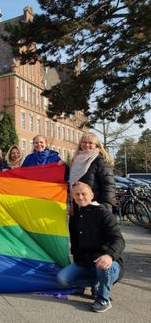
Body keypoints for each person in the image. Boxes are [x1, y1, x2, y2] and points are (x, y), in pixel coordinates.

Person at [56, 182, 125, 313]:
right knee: (62, 279)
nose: (80, 197)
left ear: (92, 195)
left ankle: (103, 298)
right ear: (72, 196)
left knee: (103, 265)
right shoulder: (74, 216)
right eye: (77, 194)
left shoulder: (103, 213)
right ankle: (97, 282)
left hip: (108, 263)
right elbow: (76, 244)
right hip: (85, 263)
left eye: (84, 194)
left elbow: (119, 240)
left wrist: (109, 255)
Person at [69, 132, 116, 212]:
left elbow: (108, 185)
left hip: (95, 206)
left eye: (90, 143)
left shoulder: (100, 161)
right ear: (80, 144)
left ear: (96, 145)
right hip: (78, 205)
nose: (87, 145)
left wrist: (106, 207)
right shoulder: (75, 161)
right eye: (84, 142)